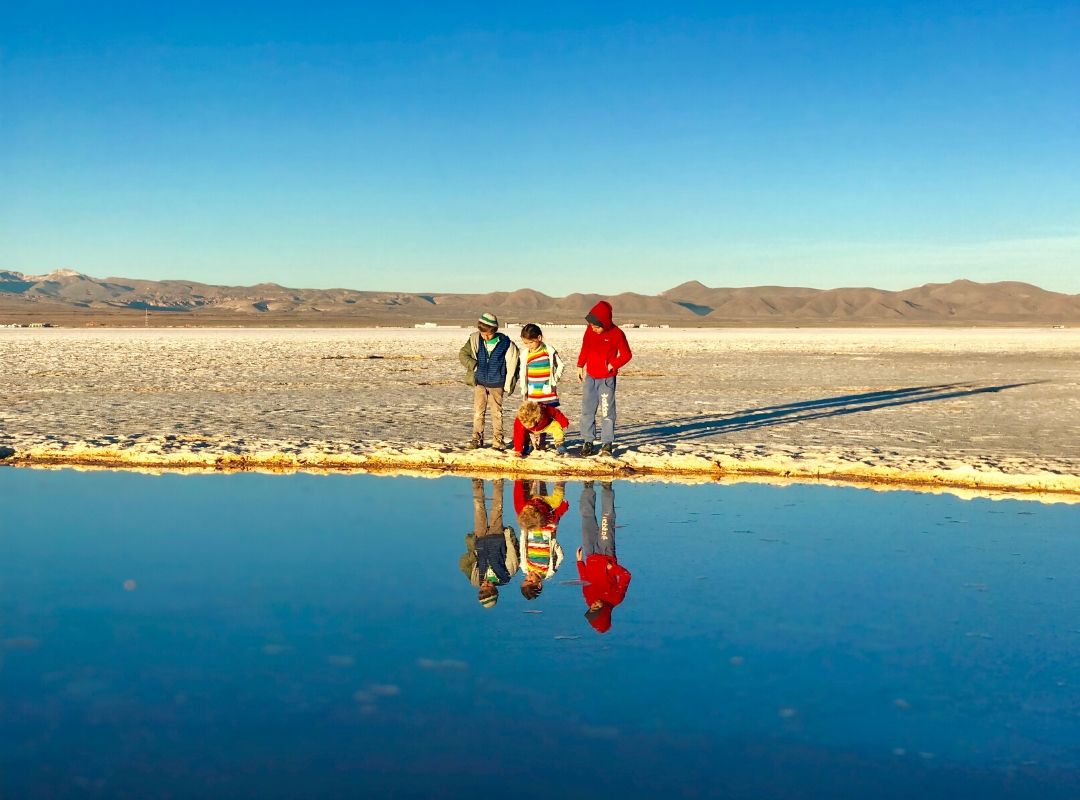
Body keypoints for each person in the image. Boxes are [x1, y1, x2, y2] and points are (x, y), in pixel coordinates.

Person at [576, 300, 632, 457]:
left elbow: (627, 354)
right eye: (591, 326)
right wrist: (580, 365)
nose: (593, 329)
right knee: (587, 410)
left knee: (607, 412)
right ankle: (588, 441)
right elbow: (585, 347)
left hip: (606, 379)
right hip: (590, 378)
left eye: (597, 326)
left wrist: (613, 364)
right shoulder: (589, 331)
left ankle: (607, 444)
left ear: (605, 323)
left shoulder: (617, 334)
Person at [459, 312, 519, 450]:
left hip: (497, 384)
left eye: (488, 334)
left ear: (495, 330)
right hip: (480, 382)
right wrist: (473, 365)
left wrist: (509, 382)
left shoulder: (505, 344)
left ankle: (498, 440)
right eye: (482, 333)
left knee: (496, 413)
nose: (485, 337)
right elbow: (463, 354)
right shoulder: (475, 340)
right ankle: (476, 439)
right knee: (478, 412)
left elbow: (514, 363)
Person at [577, 481, 631, 633]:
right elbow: (626, 576)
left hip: (590, 554)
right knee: (606, 518)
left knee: (586, 518)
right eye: (596, 609)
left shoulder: (589, 599)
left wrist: (579, 562)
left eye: (591, 608)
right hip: (606, 553)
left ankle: (588, 487)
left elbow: (585, 581)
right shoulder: (616, 599)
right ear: (605, 612)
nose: (592, 605)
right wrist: (613, 568)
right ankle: (607, 487)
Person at [459, 479, 519, 608]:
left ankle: (477, 481)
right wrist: (509, 536)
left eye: (482, 589)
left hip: (480, 539)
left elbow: (463, 563)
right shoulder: (505, 576)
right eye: (488, 588)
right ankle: (498, 481)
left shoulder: (475, 579)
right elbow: (513, 554)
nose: (485, 585)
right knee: (497, 508)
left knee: (478, 508)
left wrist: (474, 554)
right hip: (497, 537)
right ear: (495, 590)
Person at [514, 479, 567, 600]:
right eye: (530, 581)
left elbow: (523, 549)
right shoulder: (549, 571)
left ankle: (534, 481)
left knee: (533, 503)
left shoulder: (525, 567)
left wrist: (524, 532)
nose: (529, 577)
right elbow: (560, 556)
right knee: (548, 506)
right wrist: (554, 543)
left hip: (532, 531)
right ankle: (559, 482)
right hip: (546, 531)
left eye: (526, 579)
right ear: (539, 584)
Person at [518, 323, 565, 407]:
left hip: (548, 393)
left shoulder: (548, 351)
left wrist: (554, 379)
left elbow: (560, 365)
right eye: (526, 343)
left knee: (550, 417)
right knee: (534, 418)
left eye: (531, 342)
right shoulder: (525, 355)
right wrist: (524, 389)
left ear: (539, 338)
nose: (529, 346)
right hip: (533, 395)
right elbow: (522, 373)